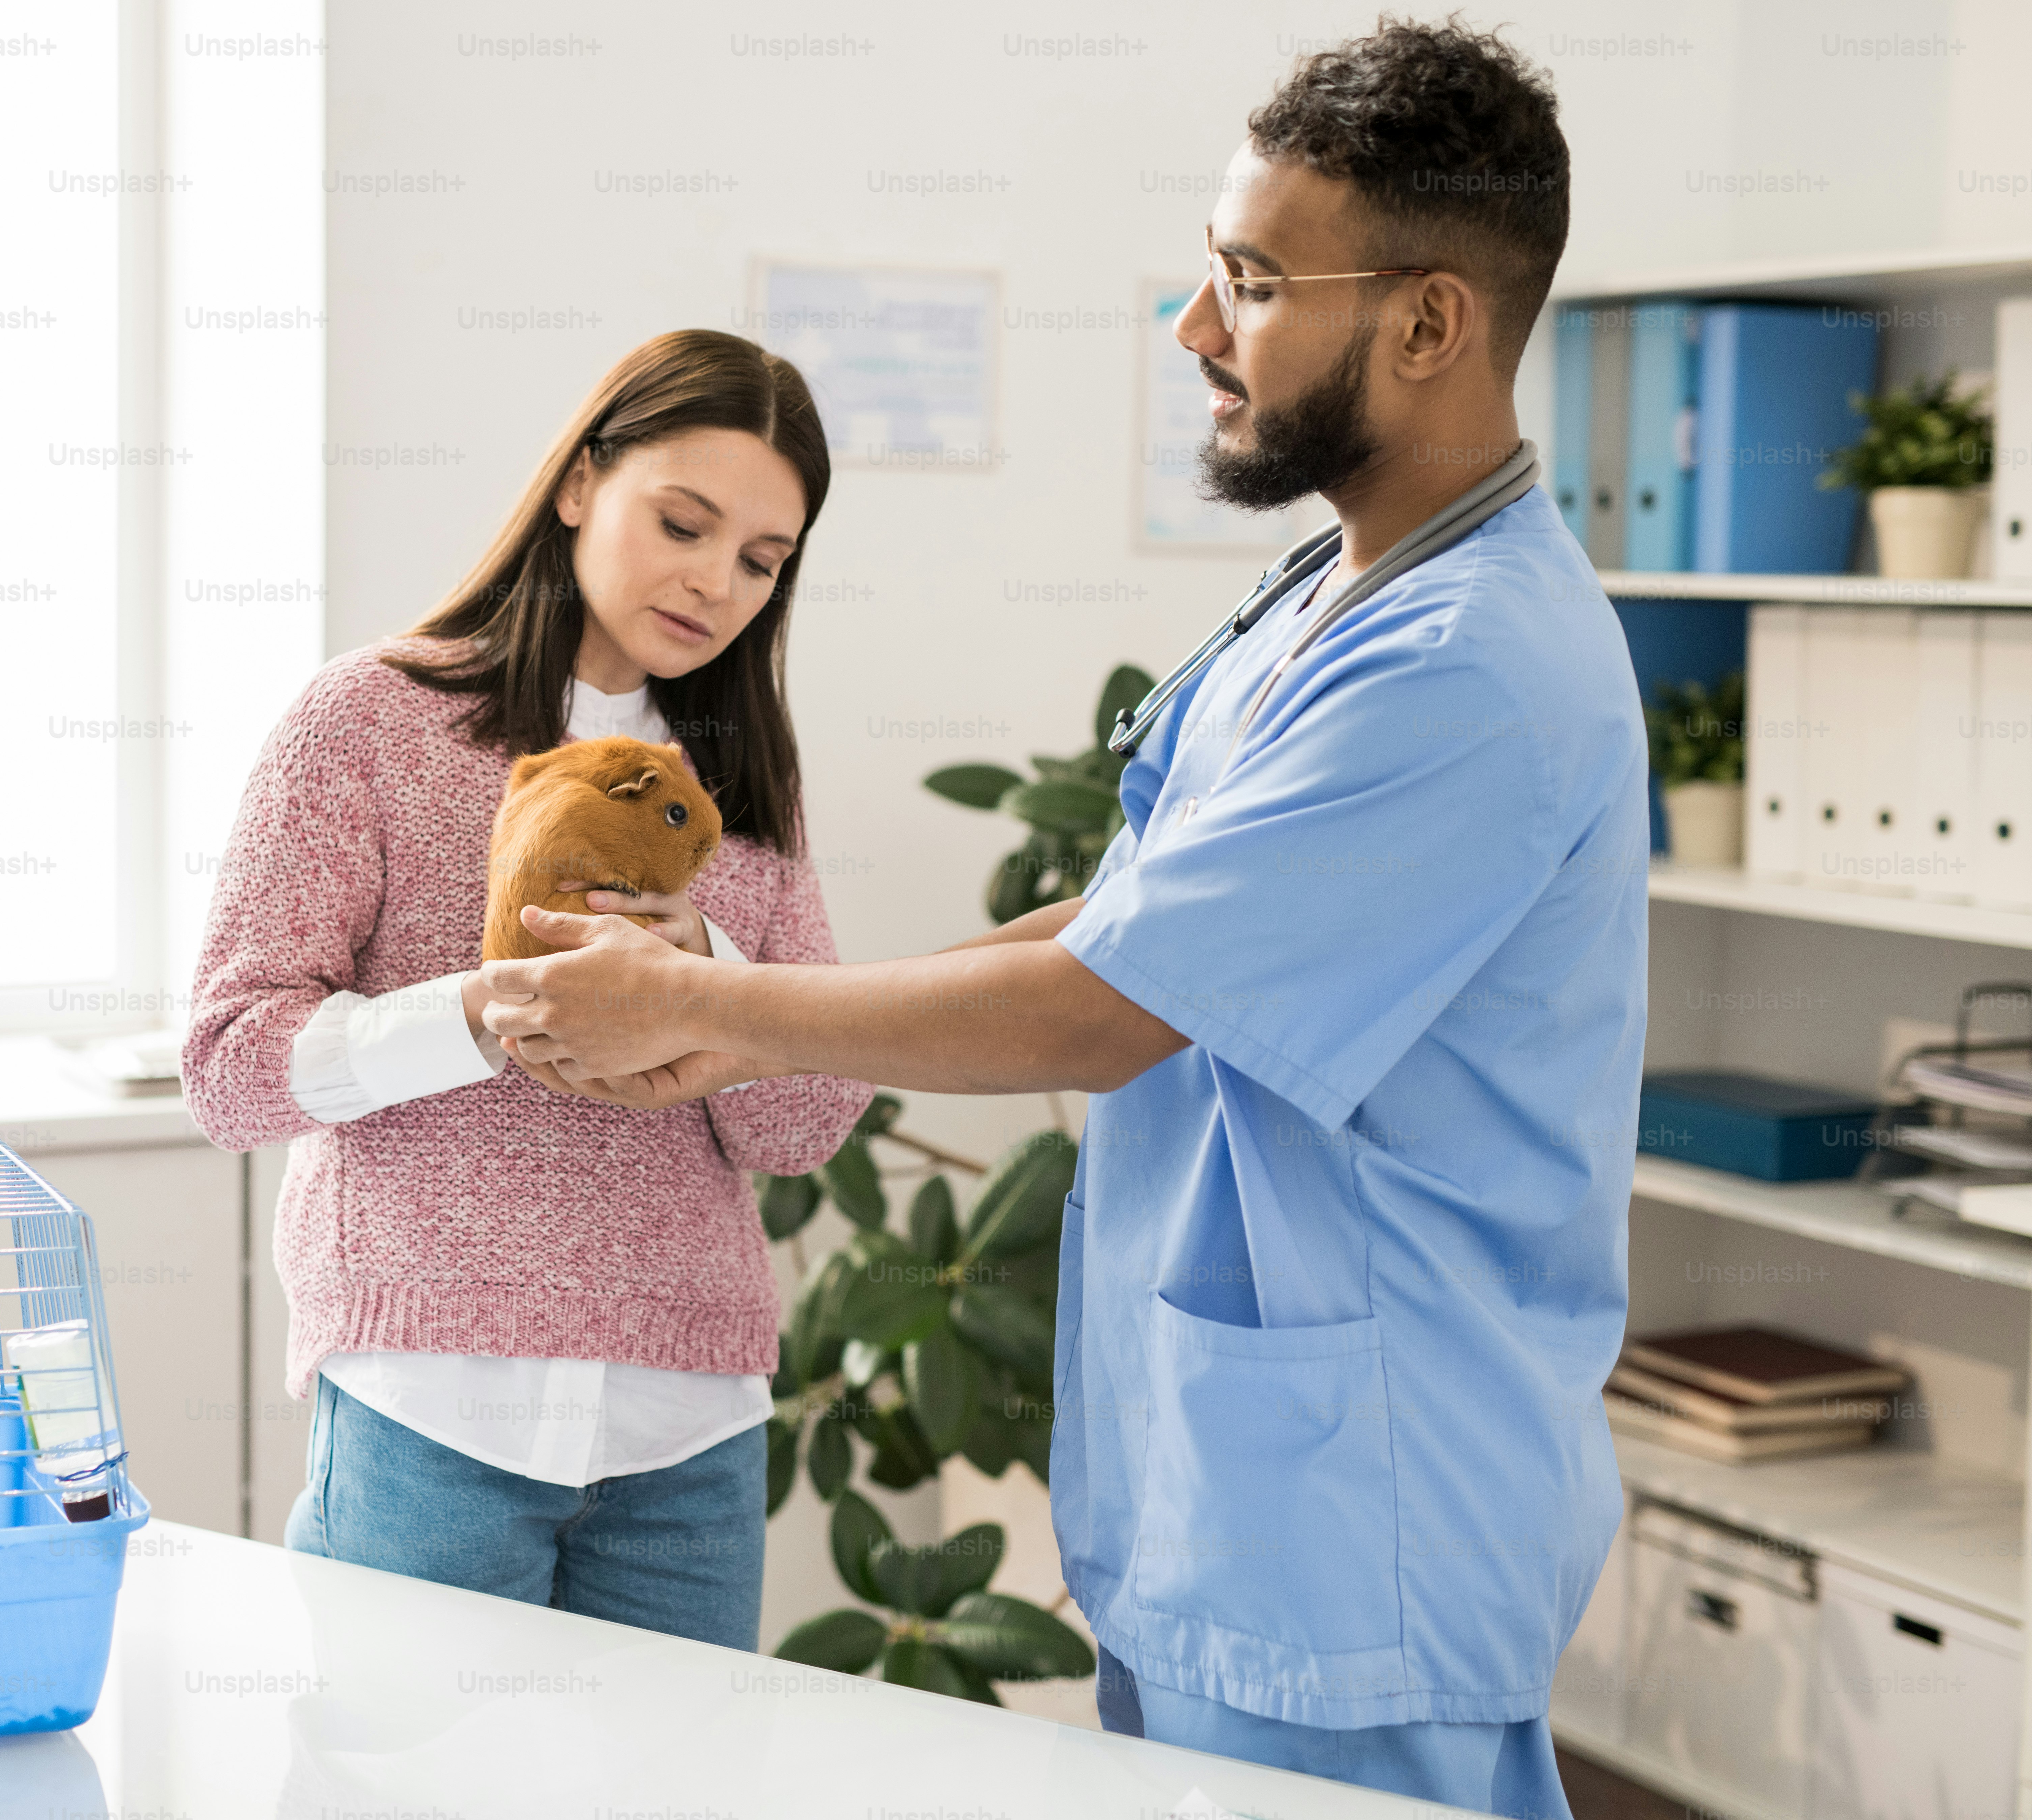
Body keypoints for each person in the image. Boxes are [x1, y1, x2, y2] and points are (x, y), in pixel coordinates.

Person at [479, 23, 1638, 1820]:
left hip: (1361, 1512)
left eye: (1249, 285)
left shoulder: (1467, 664)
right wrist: (730, 999)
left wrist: (715, 1009)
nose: (1194, 331)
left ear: (1424, 324)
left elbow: (1113, 1000)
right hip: (1242, 1477)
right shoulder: (1326, 597)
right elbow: (1119, 909)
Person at [181, 329, 873, 1650]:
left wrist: (705, 985)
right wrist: (478, 1014)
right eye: (683, 522)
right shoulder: (363, 724)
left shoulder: (743, 787)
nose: (714, 581)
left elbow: (805, 1127)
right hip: (429, 1409)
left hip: (690, 1437)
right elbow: (226, 1065)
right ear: (577, 484)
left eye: (760, 561)